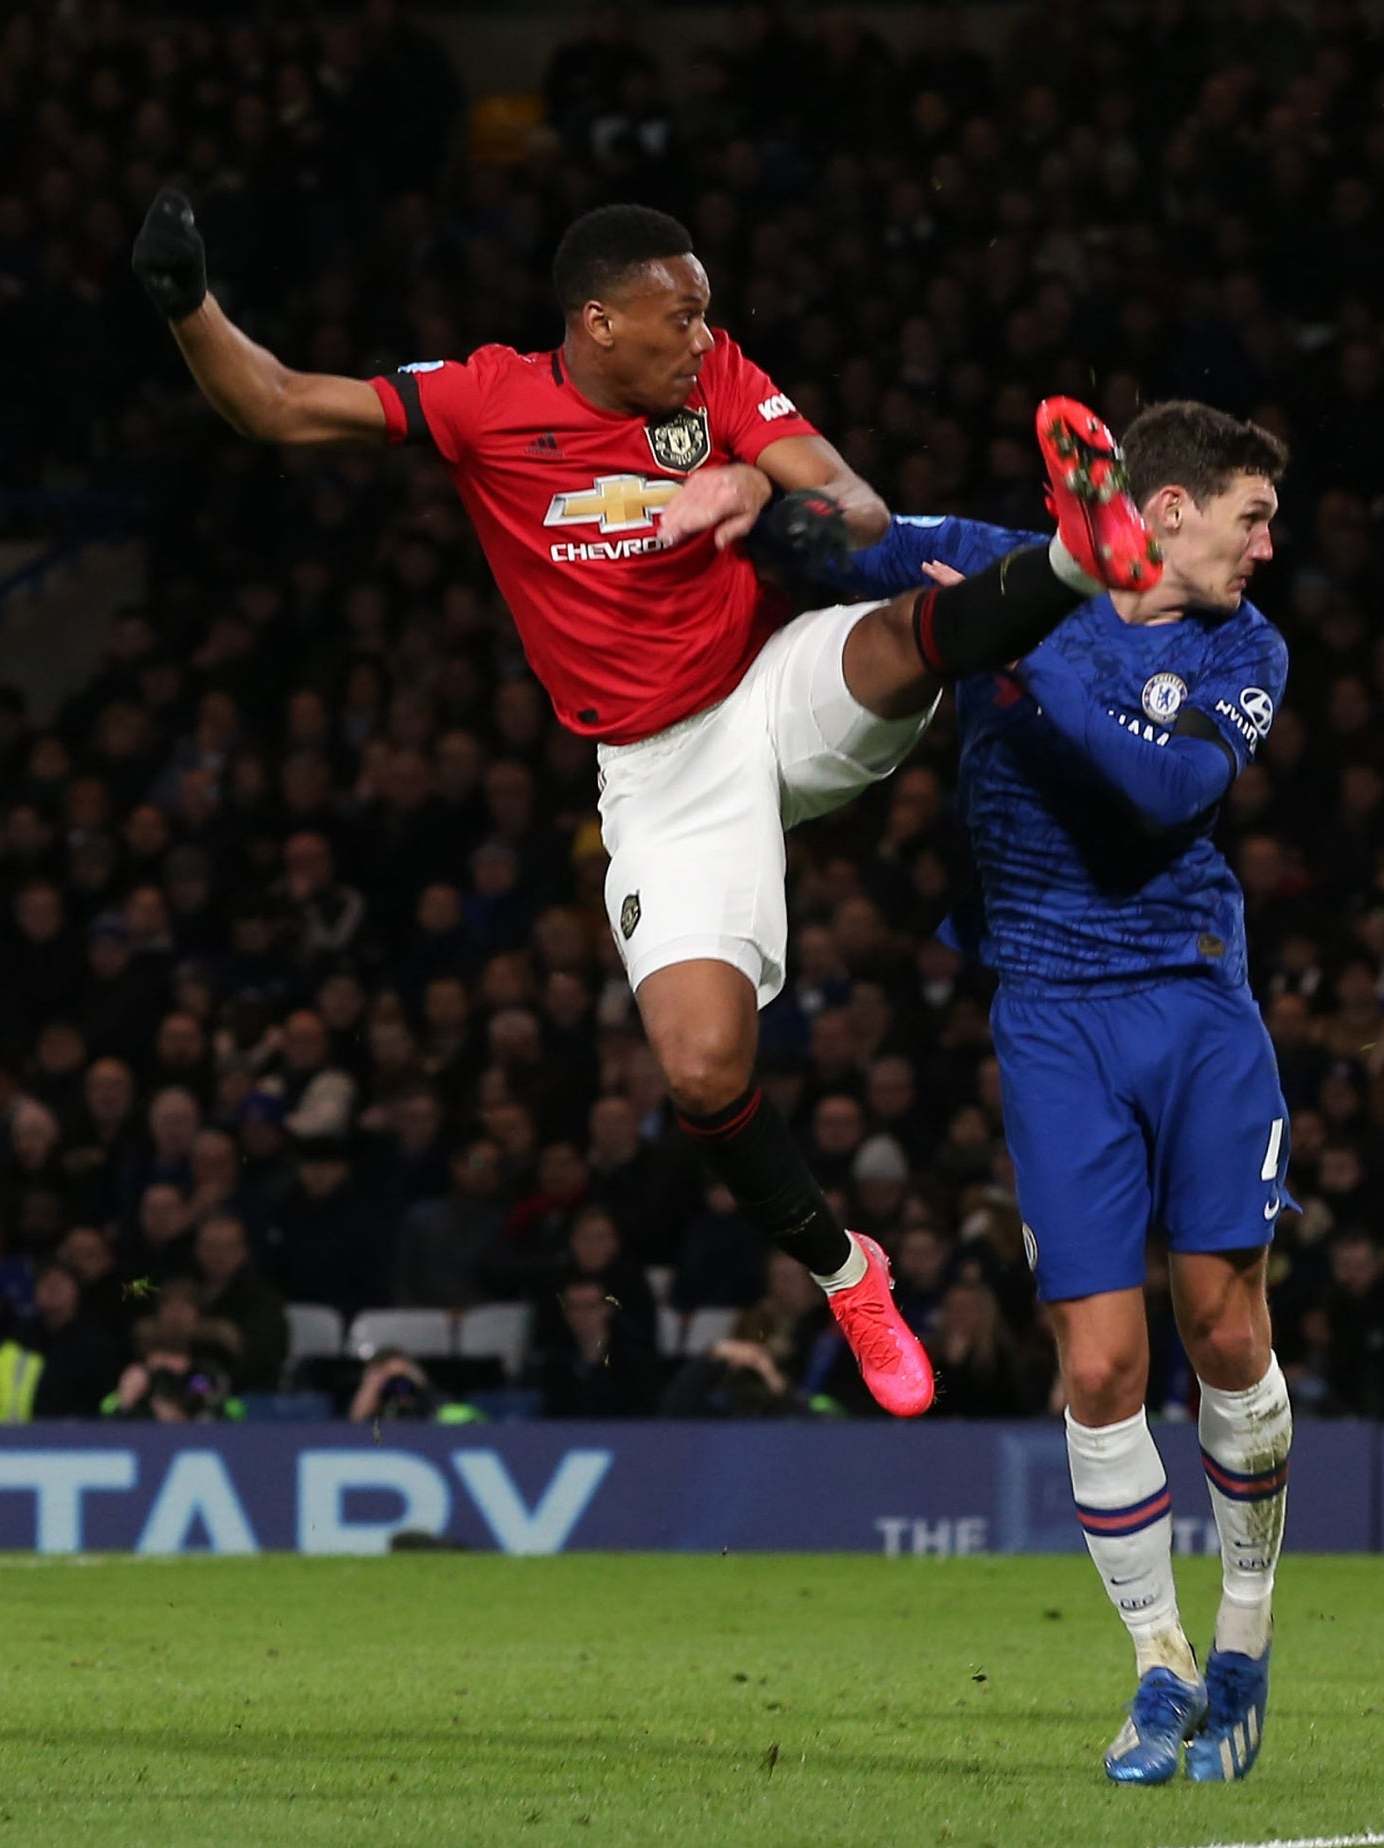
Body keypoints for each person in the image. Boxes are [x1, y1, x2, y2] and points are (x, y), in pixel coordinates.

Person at [134, 192, 1164, 1415]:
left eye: (704, 316)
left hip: (768, 688)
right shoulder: (484, 400)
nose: (700, 335)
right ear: (597, 319)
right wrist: (187, 304)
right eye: (678, 316)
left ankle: (1070, 556)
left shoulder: (716, 377)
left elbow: (859, 508)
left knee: (897, 639)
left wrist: (749, 491)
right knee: (699, 1072)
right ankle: (848, 1272)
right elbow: (277, 402)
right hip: (658, 777)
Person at [824, 402, 1292, 1783]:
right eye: (1251, 516)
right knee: (1097, 1364)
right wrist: (724, 500)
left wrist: (1007, 654)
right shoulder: (1000, 561)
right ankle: (1157, 1670)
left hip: (1196, 1006)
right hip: (1048, 1015)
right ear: (1165, 511)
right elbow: (839, 541)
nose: (1269, 544)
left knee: (1221, 1332)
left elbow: (1167, 793)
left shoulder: (1241, 648)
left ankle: (1245, 1641)